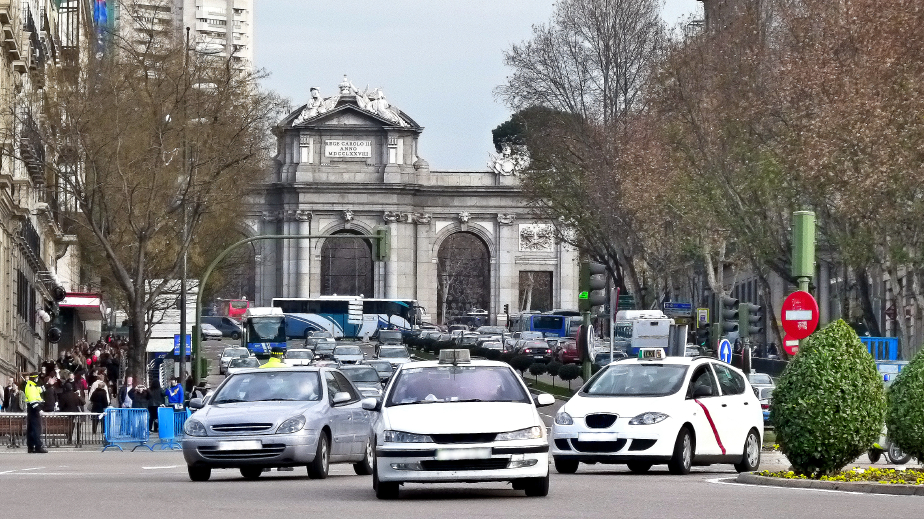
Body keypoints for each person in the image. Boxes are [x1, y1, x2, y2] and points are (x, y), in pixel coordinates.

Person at [23, 373, 48, 453]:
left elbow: (40, 390)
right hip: (34, 409)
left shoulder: (32, 385)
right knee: (36, 428)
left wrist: (48, 384)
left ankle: (30, 446)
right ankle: (38, 446)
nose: (38, 379)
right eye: (37, 377)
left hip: (32, 409)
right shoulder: (31, 387)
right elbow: (32, 400)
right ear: (35, 378)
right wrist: (39, 410)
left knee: (31, 428)